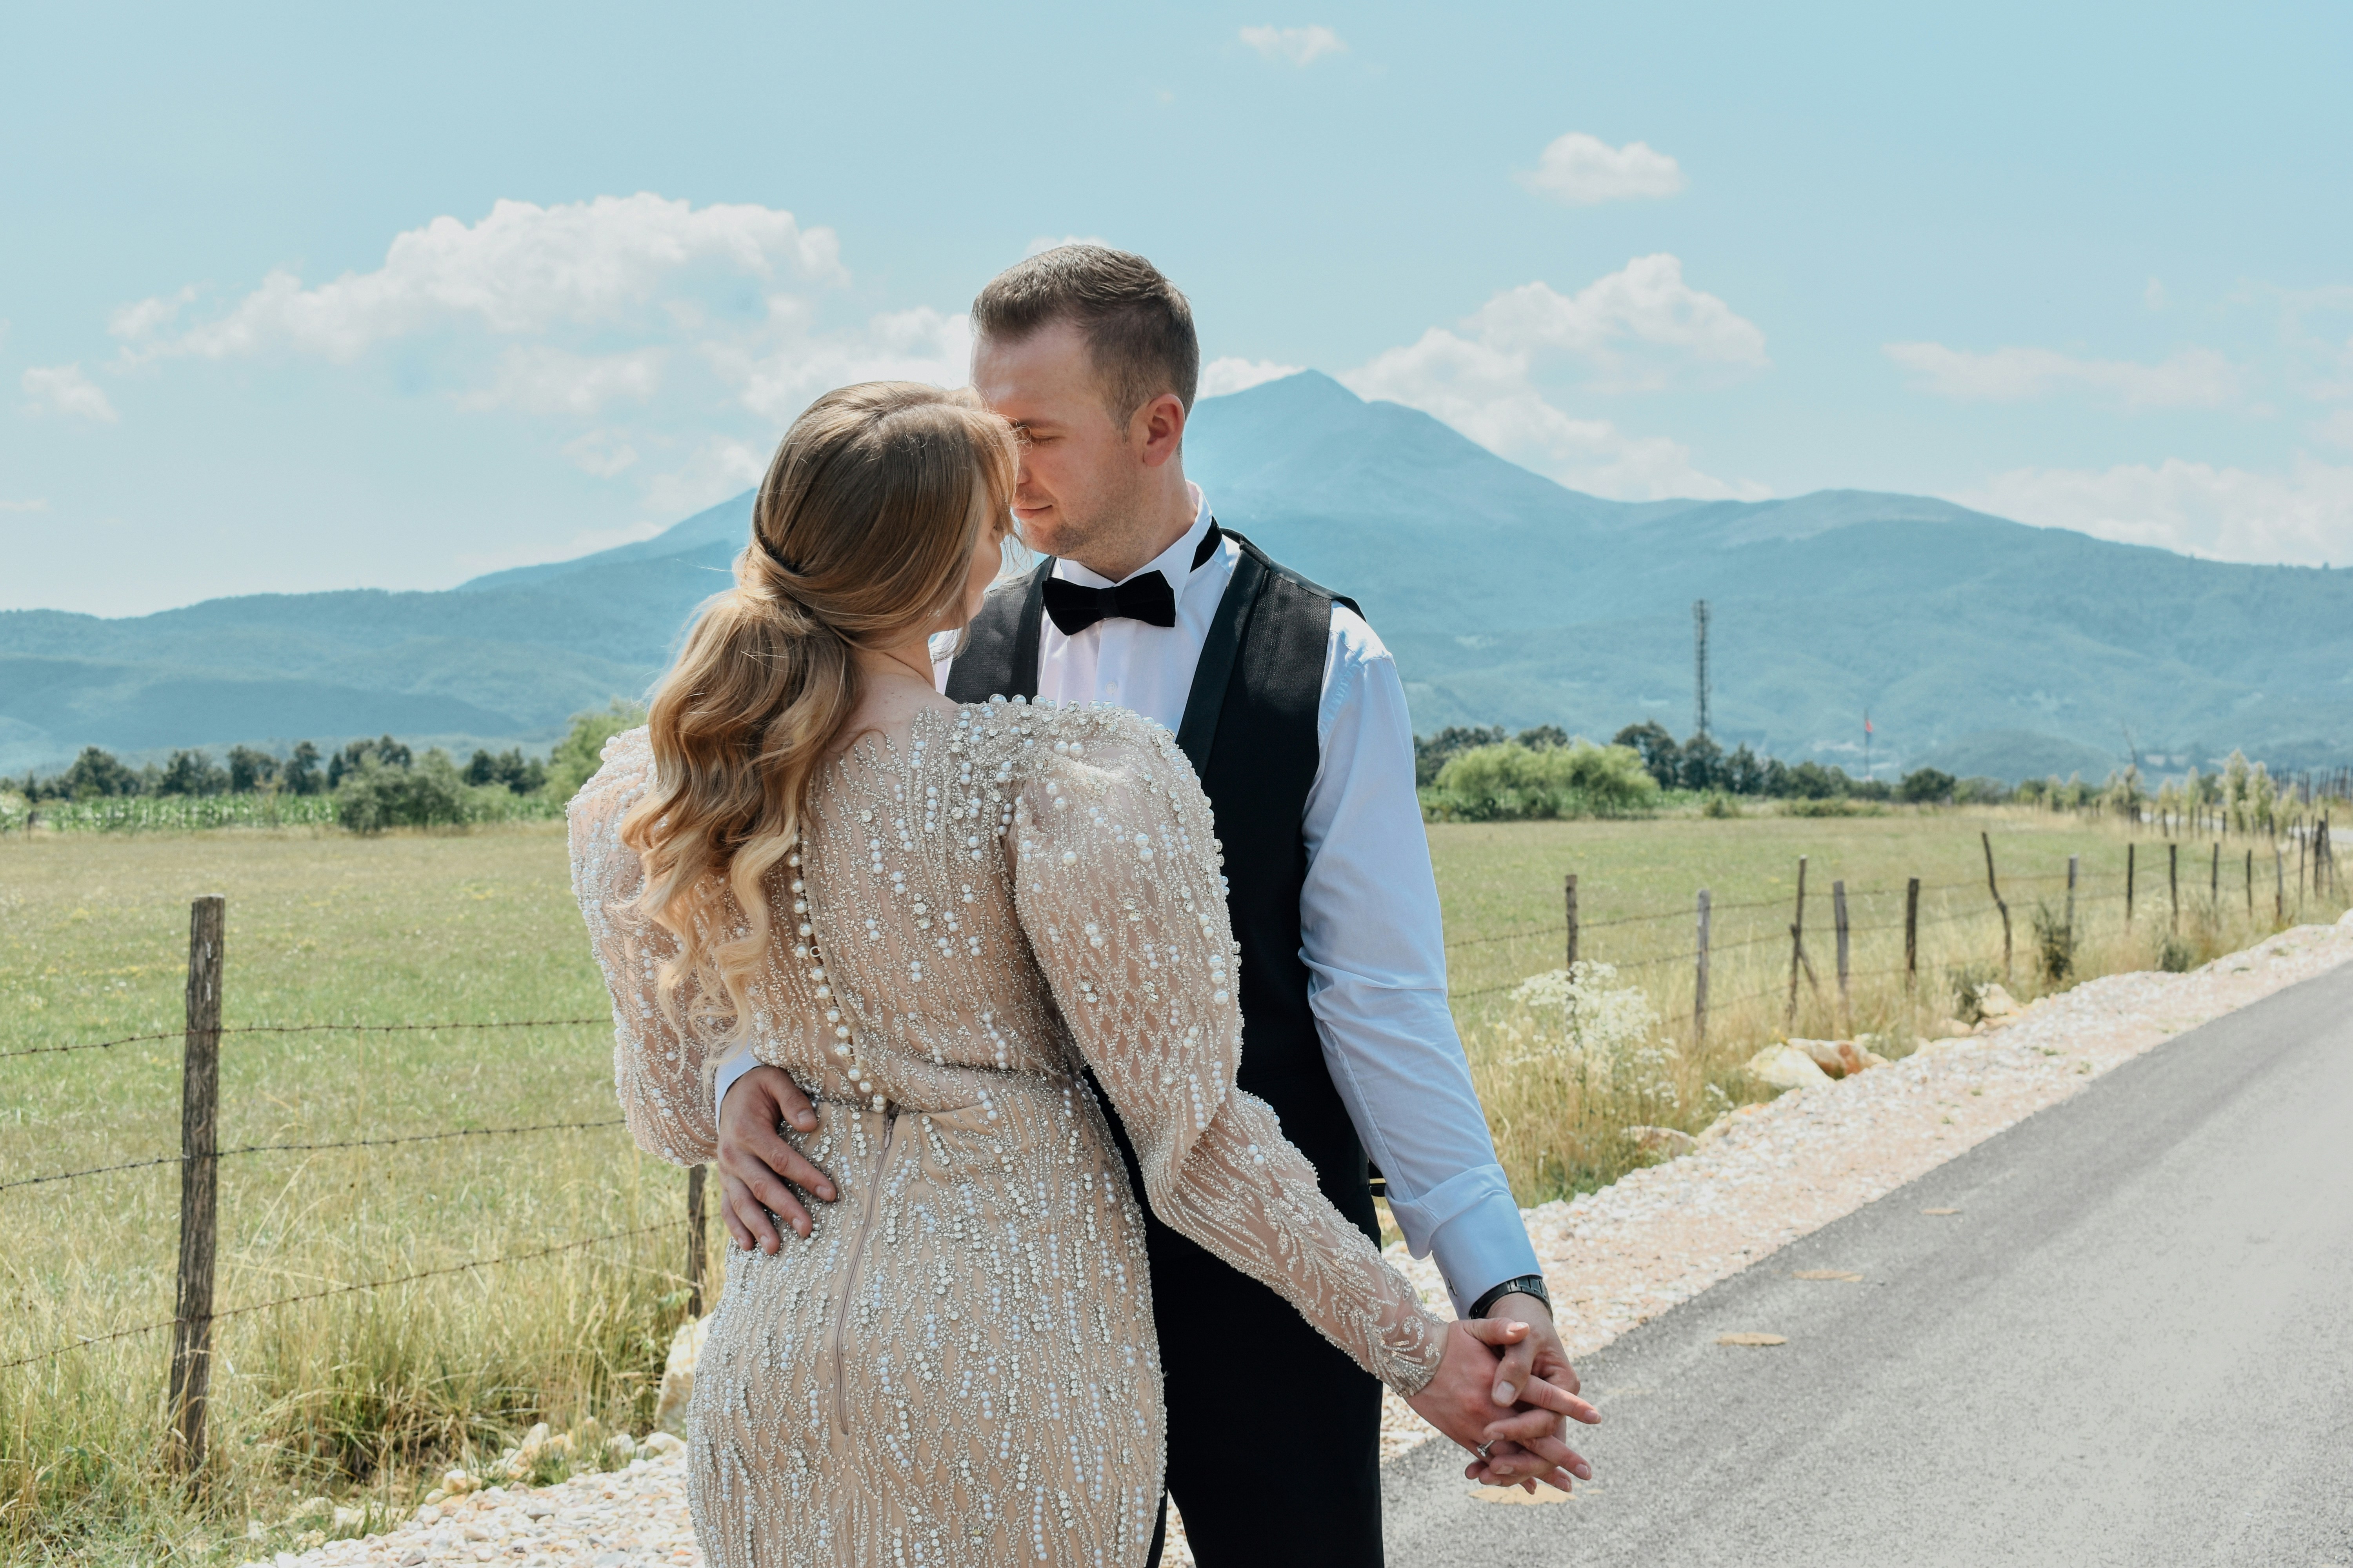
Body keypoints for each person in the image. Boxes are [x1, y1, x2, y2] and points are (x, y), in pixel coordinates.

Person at [571, 380, 1595, 1567]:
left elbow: (669, 1106)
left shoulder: (662, 793)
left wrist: (735, 1077)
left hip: (779, 1363)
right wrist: (1421, 1352)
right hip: (1012, 1364)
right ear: (958, 564)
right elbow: (1200, 1148)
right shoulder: (1050, 783)